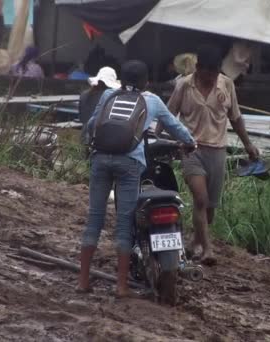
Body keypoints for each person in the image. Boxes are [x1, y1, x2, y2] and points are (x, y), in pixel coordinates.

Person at [78, 60, 196, 298]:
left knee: (95, 220)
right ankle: (121, 287)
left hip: (101, 160)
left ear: (121, 80)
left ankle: (83, 282)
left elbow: (91, 125)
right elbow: (175, 126)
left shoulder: (109, 95)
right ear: (146, 82)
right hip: (130, 164)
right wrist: (191, 142)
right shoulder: (152, 100)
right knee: (124, 225)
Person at [164, 44, 260, 265]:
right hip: (191, 148)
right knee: (200, 198)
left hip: (217, 151)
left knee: (210, 209)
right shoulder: (184, 85)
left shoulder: (226, 85)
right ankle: (208, 249)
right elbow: (169, 114)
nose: (210, 76)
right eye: (206, 71)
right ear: (198, 68)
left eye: (214, 71)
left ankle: (194, 242)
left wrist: (248, 145)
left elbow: (235, 118)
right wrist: (158, 138)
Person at [78, 66, 121, 145]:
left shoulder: (84, 94)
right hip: (100, 139)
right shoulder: (109, 97)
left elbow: (81, 118)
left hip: (84, 137)